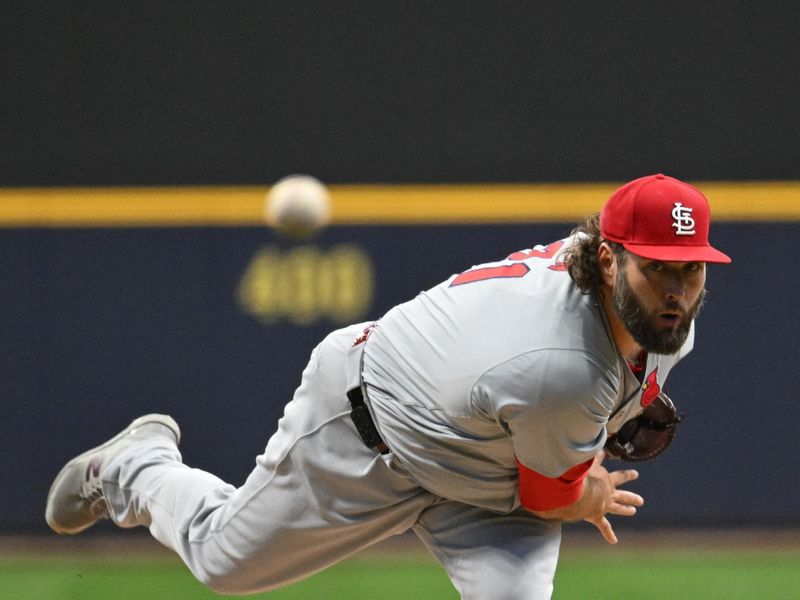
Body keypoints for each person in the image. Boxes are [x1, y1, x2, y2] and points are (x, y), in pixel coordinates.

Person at [46, 173, 731, 600]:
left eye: (691, 270)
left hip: (485, 466)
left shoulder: (655, 316)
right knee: (225, 562)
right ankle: (136, 466)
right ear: (609, 260)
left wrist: (612, 419)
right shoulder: (563, 366)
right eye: (657, 269)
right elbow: (549, 493)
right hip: (370, 432)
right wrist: (591, 492)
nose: (675, 291)